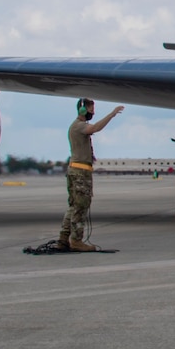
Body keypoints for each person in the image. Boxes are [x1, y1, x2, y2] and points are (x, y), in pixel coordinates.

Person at [56, 98, 124, 252]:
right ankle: (76, 241)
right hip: (80, 172)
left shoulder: (76, 126)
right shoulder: (79, 126)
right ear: (82, 110)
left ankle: (63, 239)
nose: (93, 112)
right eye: (91, 109)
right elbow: (95, 128)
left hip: (77, 170)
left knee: (73, 206)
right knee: (80, 206)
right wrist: (111, 114)